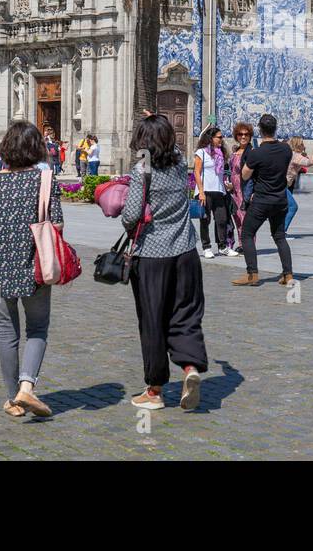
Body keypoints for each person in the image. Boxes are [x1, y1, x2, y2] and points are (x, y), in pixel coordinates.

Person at [121, 114, 208, 411]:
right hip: (185, 252)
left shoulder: (141, 170)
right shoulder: (179, 164)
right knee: (185, 313)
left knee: (153, 320)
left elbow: (131, 215)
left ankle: (155, 390)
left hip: (152, 257)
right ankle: (190, 368)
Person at [0, 121, 62, 418]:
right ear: (36, 148)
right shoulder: (44, 180)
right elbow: (57, 225)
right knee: (37, 327)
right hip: (32, 266)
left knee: (5, 331)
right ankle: (26, 387)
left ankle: (13, 400)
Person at [233, 113, 295, 287]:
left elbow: (244, 174)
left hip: (262, 200)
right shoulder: (286, 149)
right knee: (279, 236)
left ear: (260, 130)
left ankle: (252, 274)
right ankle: (288, 274)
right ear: (275, 129)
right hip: (280, 199)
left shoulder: (257, 153)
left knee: (247, 234)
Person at [192, 127, 234, 259]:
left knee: (222, 219)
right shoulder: (201, 152)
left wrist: (226, 185)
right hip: (205, 191)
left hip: (219, 190)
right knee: (205, 220)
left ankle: (222, 246)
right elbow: (196, 172)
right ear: (211, 138)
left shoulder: (221, 153)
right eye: (219, 137)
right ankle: (206, 247)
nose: (221, 139)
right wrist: (201, 192)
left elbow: (221, 173)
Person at [284, 136, 313, 234]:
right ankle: (281, 232)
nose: (304, 146)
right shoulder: (296, 156)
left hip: (282, 183)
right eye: (302, 144)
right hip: (282, 185)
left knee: (284, 207)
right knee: (292, 207)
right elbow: (312, 161)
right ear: (299, 145)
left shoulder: (288, 153)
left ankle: (278, 231)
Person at [227, 122, 254, 246]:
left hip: (245, 190)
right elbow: (230, 170)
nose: (243, 137)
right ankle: (240, 244)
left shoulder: (251, 153)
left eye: (246, 134)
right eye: (240, 134)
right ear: (236, 136)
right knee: (237, 218)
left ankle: (248, 245)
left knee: (246, 219)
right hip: (233, 190)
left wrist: (254, 192)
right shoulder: (235, 152)